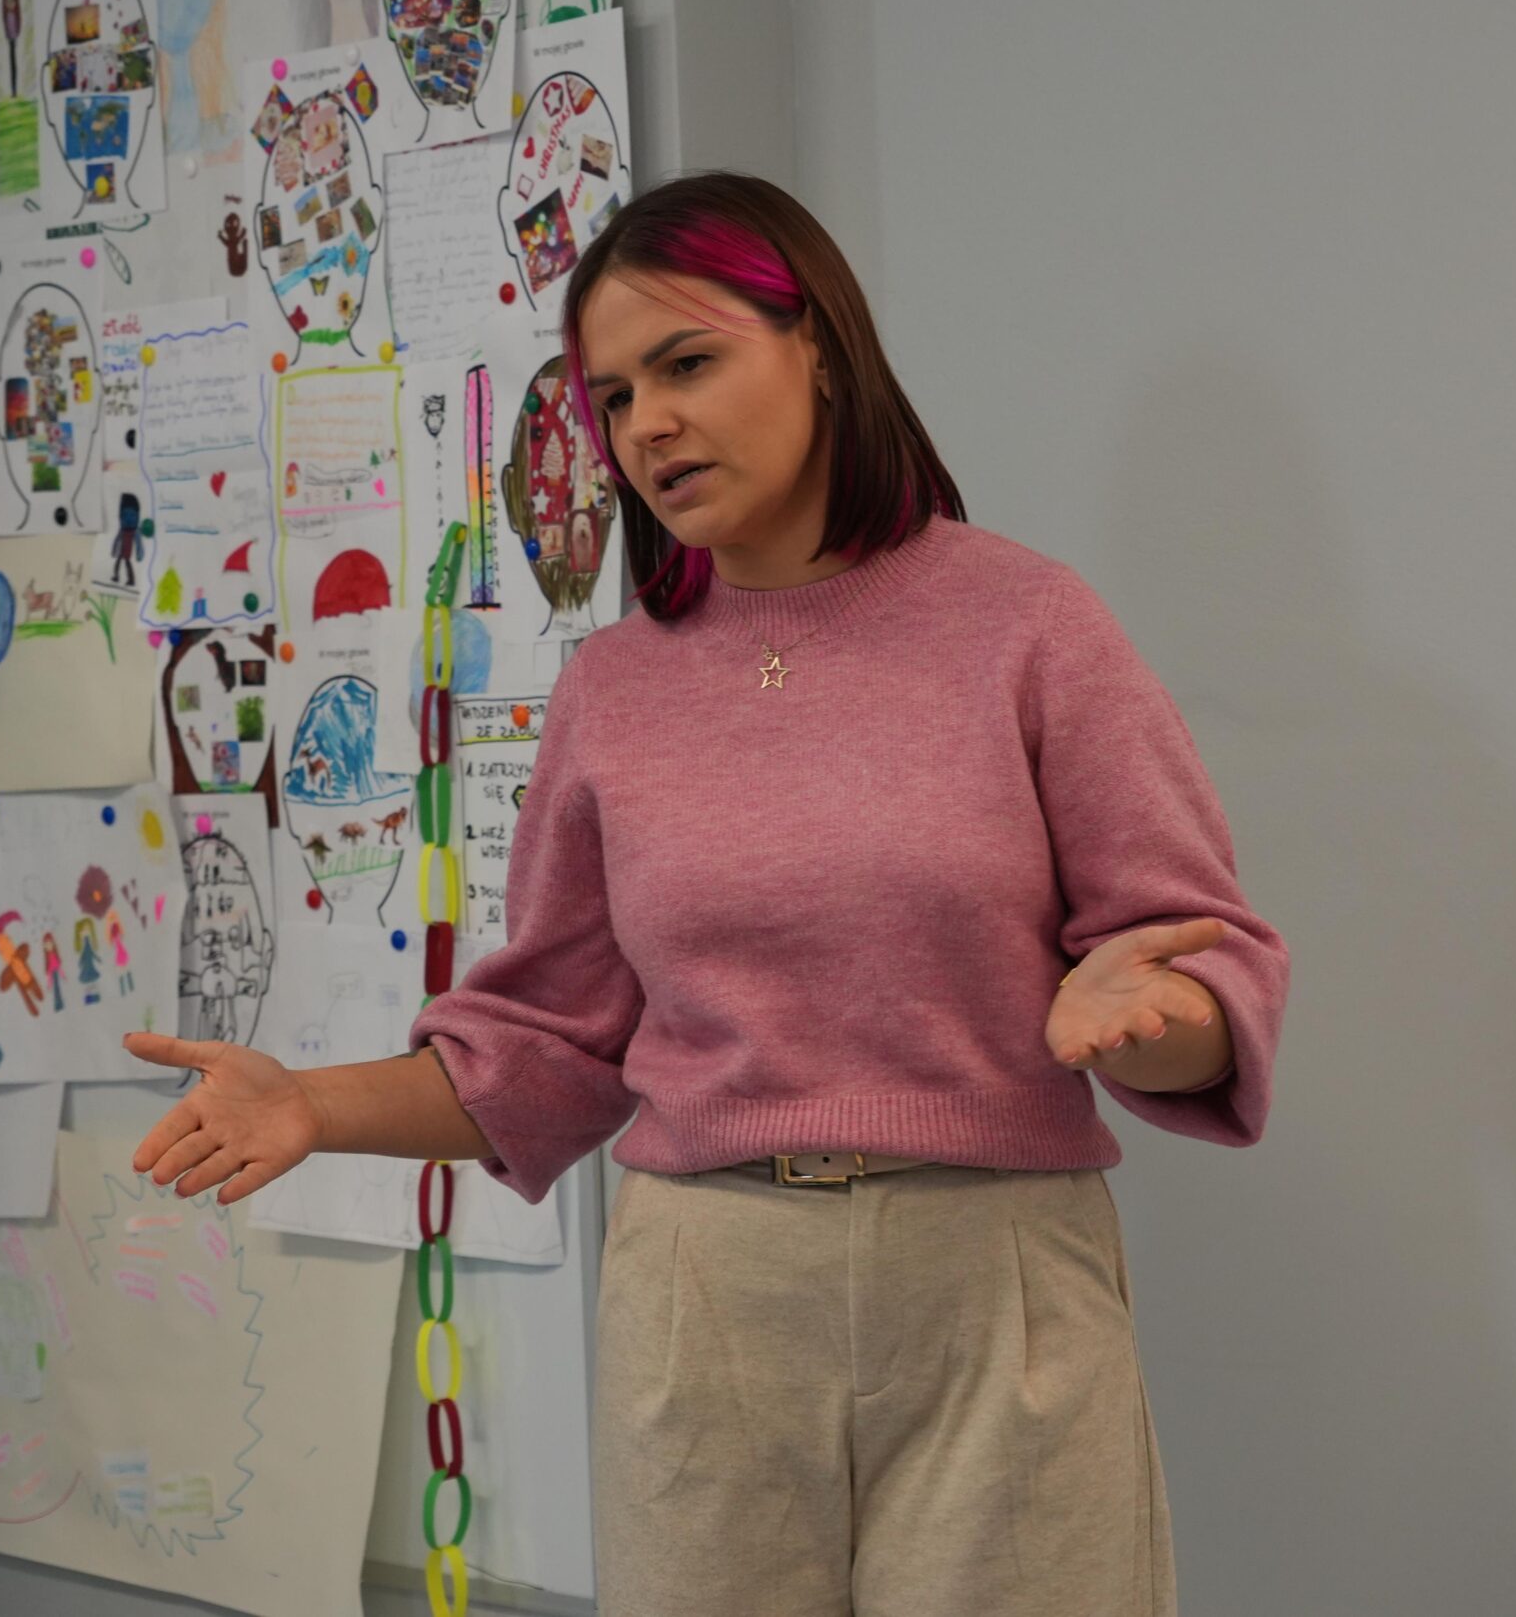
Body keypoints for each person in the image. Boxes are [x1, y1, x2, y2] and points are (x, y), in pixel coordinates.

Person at [125, 171, 1292, 1615]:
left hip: (994, 1280)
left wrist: (1151, 1016)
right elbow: (549, 1047)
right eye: (614, 398)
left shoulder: (1030, 626)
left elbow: (1195, 975)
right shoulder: (614, 690)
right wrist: (310, 1105)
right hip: (708, 1295)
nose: (647, 427)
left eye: (687, 364)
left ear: (820, 347)